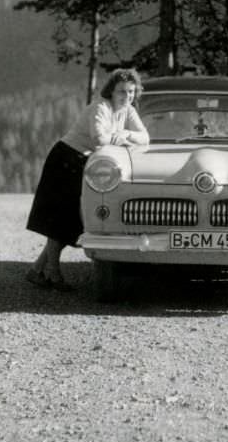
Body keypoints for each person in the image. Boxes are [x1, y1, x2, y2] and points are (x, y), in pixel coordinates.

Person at [26, 68, 149, 290]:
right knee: (60, 222)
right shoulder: (100, 108)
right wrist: (123, 138)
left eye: (131, 91)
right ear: (111, 91)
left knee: (71, 222)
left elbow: (145, 137)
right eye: (122, 91)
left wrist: (126, 134)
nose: (127, 96)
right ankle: (53, 274)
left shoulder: (128, 110)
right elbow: (100, 139)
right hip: (66, 160)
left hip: (84, 163)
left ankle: (37, 270)